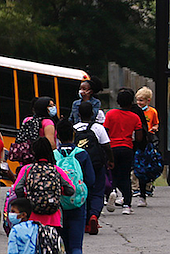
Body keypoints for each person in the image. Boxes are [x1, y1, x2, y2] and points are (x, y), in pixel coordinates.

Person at [13, 137, 75, 228]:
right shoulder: (56, 170)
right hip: (54, 220)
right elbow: (71, 190)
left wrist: (26, 198)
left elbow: (17, 188)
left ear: (33, 152)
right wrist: (58, 191)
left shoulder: (27, 169)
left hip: (32, 219)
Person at [55, 118, 95, 254]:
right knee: (76, 245)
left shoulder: (54, 155)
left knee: (62, 244)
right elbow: (90, 179)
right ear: (73, 134)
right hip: (78, 203)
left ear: (57, 135)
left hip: (58, 203)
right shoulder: (82, 154)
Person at [73, 101, 113, 234]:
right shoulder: (98, 128)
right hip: (96, 165)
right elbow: (106, 146)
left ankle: (84, 222)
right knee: (97, 191)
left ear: (78, 114)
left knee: (83, 191)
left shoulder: (74, 128)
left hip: (79, 166)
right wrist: (110, 160)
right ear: (93, 114)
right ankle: (94, 215)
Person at [103, 88, 144, 215]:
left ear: (118, 102)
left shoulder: (110, 114)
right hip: (127, 148)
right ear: (131, 102)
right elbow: (139, 137)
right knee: (125, 176)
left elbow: (105, 131)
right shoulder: (135, 117)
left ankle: (112, 192)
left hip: (112, 148)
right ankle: (127, 205)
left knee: (112, 174)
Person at [132, 86, 159, 199]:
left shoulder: (152, 112)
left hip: (148, 139)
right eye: (137, 100)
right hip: (138, 139)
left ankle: (148, 186)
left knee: (148, 163)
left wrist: (154, 128)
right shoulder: (135, 111)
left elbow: (156, 123)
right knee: (136, 163)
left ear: (148, 100)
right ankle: (135, 187)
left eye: (141, 100)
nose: (139, 102)